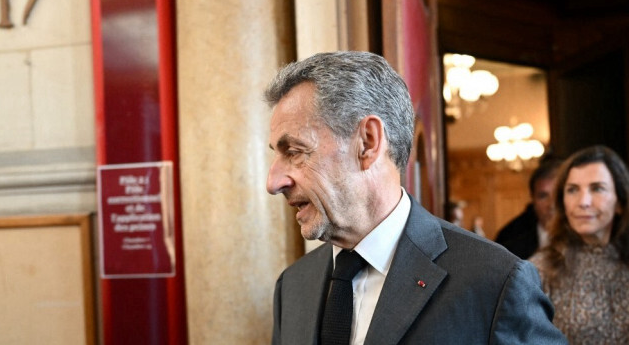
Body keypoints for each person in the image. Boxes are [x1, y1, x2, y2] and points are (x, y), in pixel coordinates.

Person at [264, 51, 566, 344]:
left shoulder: (496, 282)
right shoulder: (292, 286)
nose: (273, 182)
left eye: (294, 151)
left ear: (367, 142)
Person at [530, 145, 629, 344]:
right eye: (572, 190)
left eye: (597, 188)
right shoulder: (540, 270)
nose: (583, 201)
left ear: (619, 202)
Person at [495, 158, 562, 259]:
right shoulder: (510, 243)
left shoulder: (587, 237)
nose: (551, 204)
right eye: (543, 196)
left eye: (558, 194)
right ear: (533, 199)